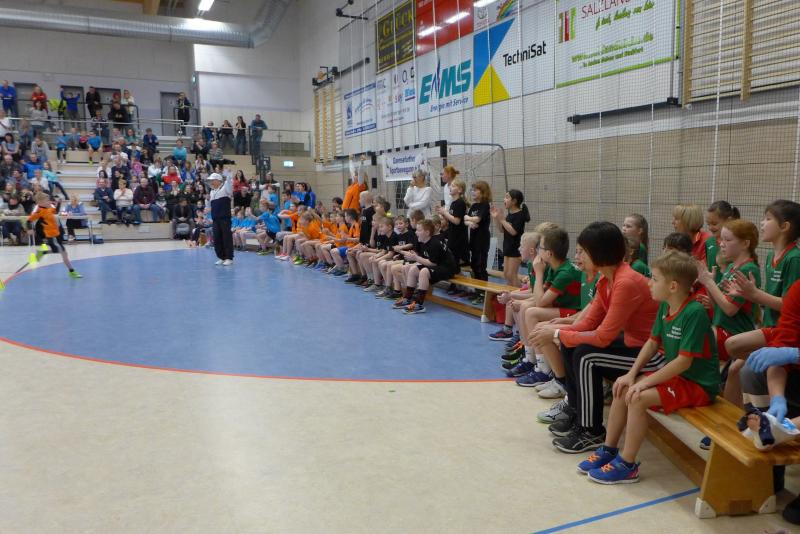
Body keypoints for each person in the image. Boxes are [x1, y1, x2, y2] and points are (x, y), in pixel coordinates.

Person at [577, 250, 719, 484]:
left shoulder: (694, 312)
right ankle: (609, 449)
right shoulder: (665, 306)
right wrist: (631, 374)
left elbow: (683, 362)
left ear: (673, 286)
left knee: (638, 397)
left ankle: (627, 464)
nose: (649, 283)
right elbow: (652, 343)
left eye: (654, 278)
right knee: (623, 387)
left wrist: (644, 383)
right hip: (680, 378)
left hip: (699, 385)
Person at [531, 222, 661, 453]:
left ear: (599, 253)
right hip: (634, 345)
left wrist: (558, 333)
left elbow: (603, 337)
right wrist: (559, 328)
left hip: (653, 356)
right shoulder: (606, 279)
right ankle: (576, 410)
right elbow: (588, 323)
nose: (578, 256)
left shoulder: (626, 282)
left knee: (585, 355)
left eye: (583, 251)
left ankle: (591, 431)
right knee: (572, 344)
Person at [393, 219, 458, 314]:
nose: (416, 232)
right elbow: (425, 259)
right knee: (413, 269)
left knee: (424, 272)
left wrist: (415, 258)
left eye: (419, 230)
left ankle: (419, 304)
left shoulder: (434, 243)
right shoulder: (424, 242)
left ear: (427, 232)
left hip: (447, 269)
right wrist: (413, 256)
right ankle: (408, 298)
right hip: (438, 266)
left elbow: (432, 263)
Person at [27, 193, 82, 278]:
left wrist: (59, 203)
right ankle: (71, 271)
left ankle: (42, 253)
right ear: (40, 202)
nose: (49, 201)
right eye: (47, 200)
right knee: (63, 252)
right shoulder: (39, 211)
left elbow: (55, 211)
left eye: (49, 200)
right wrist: (30, 229)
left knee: (59, 251)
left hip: (57, 233)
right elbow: (29, 220)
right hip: (51, 236)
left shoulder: (50, 207)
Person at [492, 189, 530, 287]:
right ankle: (511, 294)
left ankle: (519, 293)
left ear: (514, 201)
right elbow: (502, 230)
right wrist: (497, 218)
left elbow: (513, 232)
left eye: (507, 197)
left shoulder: (520, 215)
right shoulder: (510, 215)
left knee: (512, 275)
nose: (504, 199)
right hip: (507, 247)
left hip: (515, 248)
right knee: (506, 275)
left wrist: (502, 220)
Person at [464, 181, 492, 304]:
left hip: (482, 240)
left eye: (476, 190)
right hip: (474, 240)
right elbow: (466, 220)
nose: (473, 192)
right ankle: (477, 291)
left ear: (483, 192)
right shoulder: (474, 206)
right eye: (472, 190)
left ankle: (484, 293)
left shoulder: (485, 205)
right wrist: (469, 222)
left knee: (481, 266)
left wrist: (469, 219)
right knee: (474, 266)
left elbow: (477, 219)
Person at [208, 172, 234, 265]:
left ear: (218, 180)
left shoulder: (225, 189)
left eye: (212, 180)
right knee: (217, 238)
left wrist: (228, 176)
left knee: (226, 238)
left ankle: (229, 258)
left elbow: (229, 184)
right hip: (215, 219)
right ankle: (221, 257)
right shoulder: (211, 192)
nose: (211, 182)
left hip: (225, 218)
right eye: (210, 180)